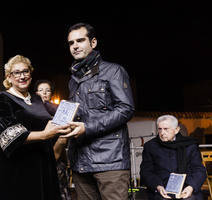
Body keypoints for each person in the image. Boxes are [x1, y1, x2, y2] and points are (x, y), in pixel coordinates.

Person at [62, 22, 135, 200]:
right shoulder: (74, 80)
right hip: (81, 163)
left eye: (80, 40)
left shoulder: (113, 71)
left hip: (110, 161)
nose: (75, 46)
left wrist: (87, 128)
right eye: (71, 43)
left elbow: (126, 109)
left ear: (93, 43)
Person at [0, 55, 70, 200]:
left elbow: (53, 116)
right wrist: (45, 134)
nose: (22, 76)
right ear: (9, 77)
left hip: (44, 163)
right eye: (17, 72)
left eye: (25, 71)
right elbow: (10, 136)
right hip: (19, 167)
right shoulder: (2, 98)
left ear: (30, 74)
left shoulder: (36, 98)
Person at [140, 115, 206, 200]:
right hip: (161, 190)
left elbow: (199, 170)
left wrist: (191, 187)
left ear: (176, 130)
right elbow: (146, 171)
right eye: (160, 129)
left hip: (186, 188)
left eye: (166, 129)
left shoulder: (189, 145)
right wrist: (158, 187)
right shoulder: (151, 146)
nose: (162, 133)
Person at [35, 79, 72, 200]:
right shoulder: (32, 112)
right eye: (41, 90)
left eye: (47, 90)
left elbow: (64, 136)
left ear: (51, 93)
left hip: (57, 157)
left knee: (61, 191)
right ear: (36, 93)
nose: (44, 93)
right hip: (39, 158)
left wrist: (56, 152)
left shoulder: (59, 110)